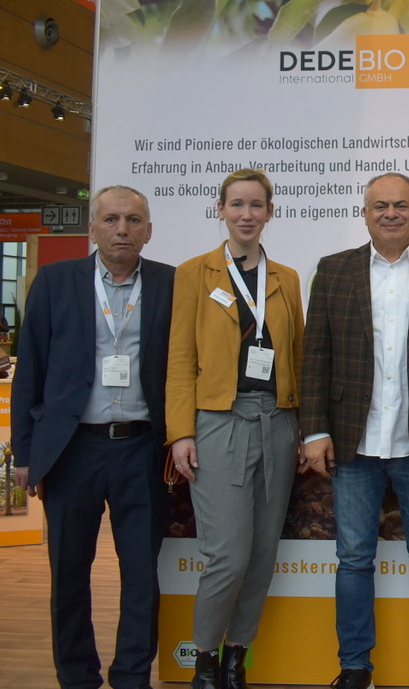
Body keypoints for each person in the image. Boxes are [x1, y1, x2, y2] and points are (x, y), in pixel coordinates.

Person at [300, 172, 409, 689]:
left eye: (401, 205)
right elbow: (315, 357)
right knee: (353, 559)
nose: (391, 213)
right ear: (365, 213)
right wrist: (314, 430)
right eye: (381, 206)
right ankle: (355, 666)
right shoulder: (333, 271)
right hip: (352, 441)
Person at [10, 185, 174, 689]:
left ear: (149, 230)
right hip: (71, 449)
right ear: (93, 228)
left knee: (142, 574)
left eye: (133, 220)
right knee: (69, 572)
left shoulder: (171, 283)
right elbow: (30, 369)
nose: (122, 229)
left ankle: (131, 675)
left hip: (143, 449)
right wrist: (24, 453)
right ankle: (77, 675)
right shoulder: (55, 281)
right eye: (111, 219)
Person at [166, 168, 305, 689]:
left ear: (270, 212)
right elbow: (180, 359)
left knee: (263, 554)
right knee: (227, 554)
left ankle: (236, 657)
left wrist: (305, 429)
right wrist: (181, 432)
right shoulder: (194, 274)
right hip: (218, 422)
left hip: (277, 422)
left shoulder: (286, 278)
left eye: (256, 205)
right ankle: (205, 659)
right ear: (220, 210)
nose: (247, 214)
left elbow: (296, 356)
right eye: (237, 205)